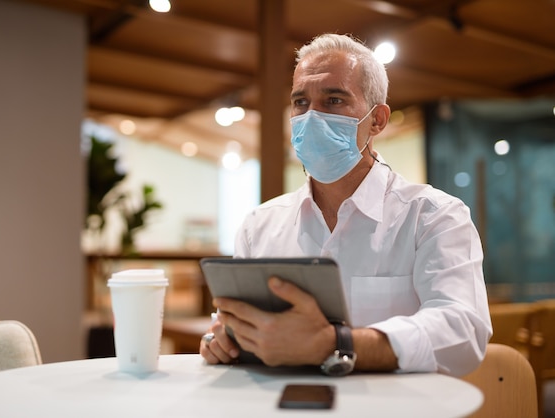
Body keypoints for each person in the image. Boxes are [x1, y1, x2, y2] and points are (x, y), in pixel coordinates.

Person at [200, 33, 492, 376]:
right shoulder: (259, 225)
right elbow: (238, 323)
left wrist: (335, 343)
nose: (311, 117)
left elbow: (463, 332)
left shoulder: (432, 216)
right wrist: (225, 341)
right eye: (300, 102)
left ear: (377, 119)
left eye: (334, 100)